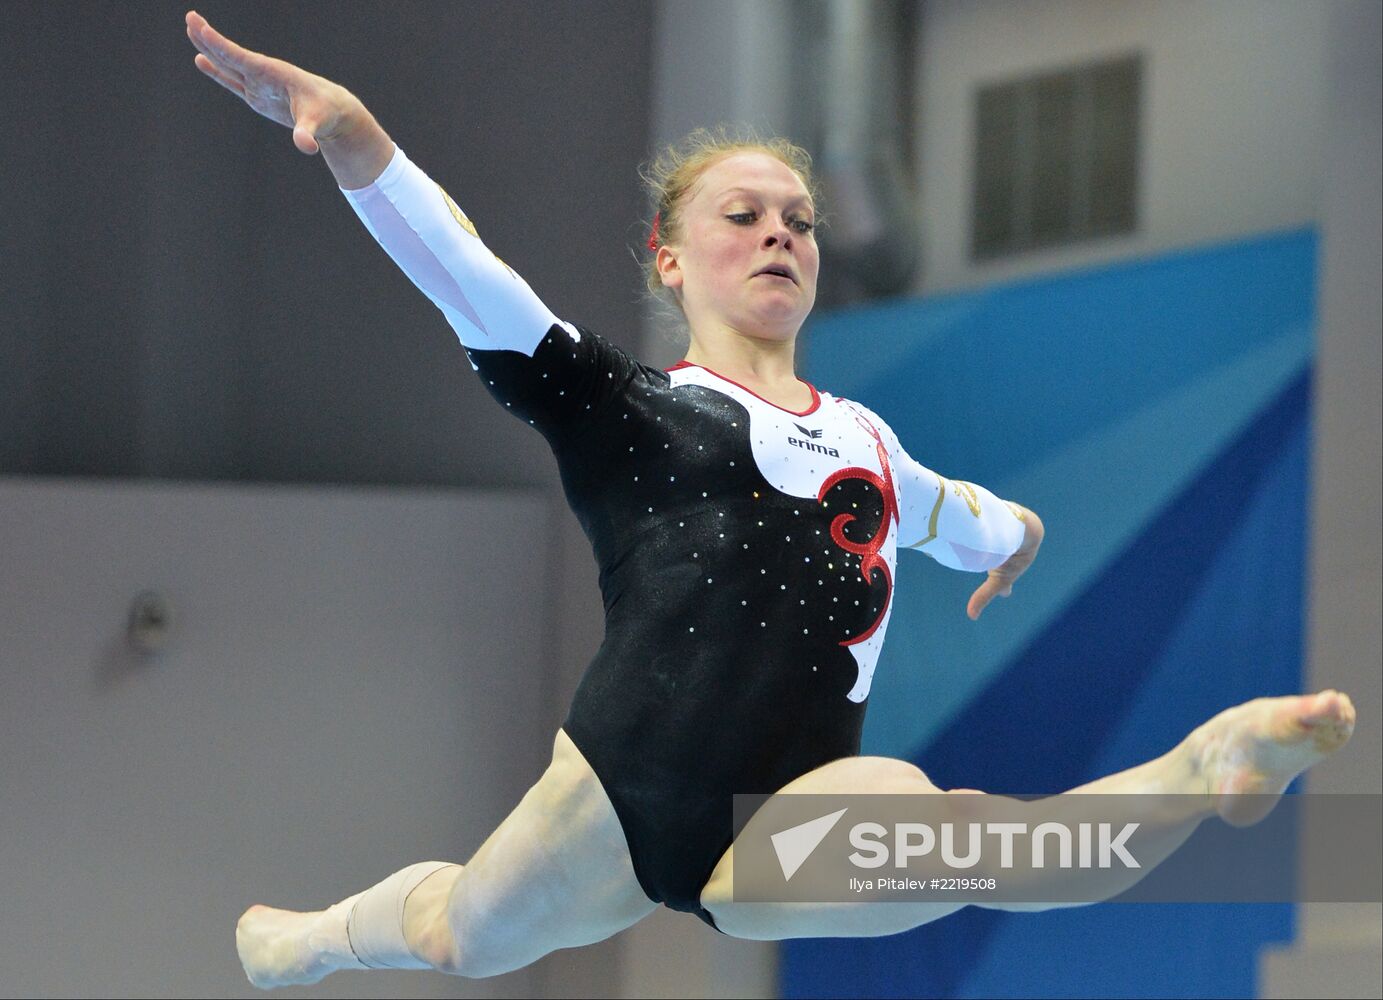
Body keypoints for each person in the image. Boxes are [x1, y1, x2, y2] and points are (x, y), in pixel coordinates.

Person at [183, 10, 1357, 990]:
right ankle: (309, 943)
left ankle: (1201, 771)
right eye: (742, 216)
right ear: (670, 258)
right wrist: (357, 143)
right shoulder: (623, 412)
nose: (780, 234)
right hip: (614, 788)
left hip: (790, 809)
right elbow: (469, 278)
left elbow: (949, 512)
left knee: (977, 847)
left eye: (798, 218)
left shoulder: (868, 442)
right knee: (462, 939)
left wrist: (1018, 536)